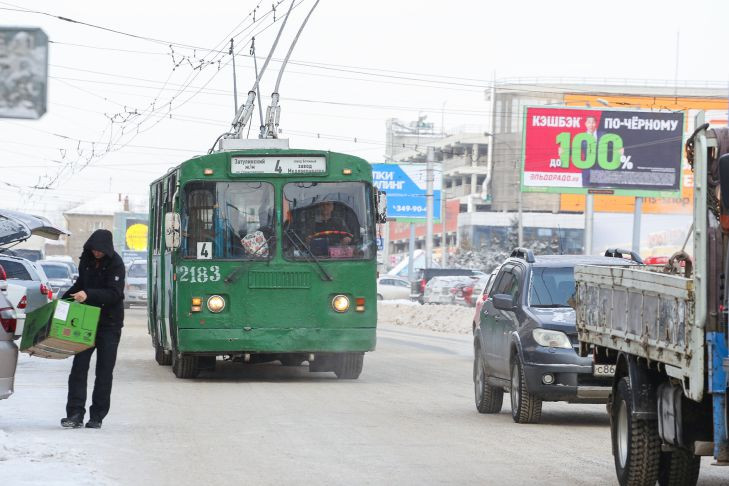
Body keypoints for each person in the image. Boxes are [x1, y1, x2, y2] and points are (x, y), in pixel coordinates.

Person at [60, 229, 125, 429]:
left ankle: (96, 416)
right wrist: (63, 300)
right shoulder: (86, 260)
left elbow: (114, 294)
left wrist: (88, 295)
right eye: (94, 250)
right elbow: (81, 284)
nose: (97, 253)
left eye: (100, 251)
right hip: (86, 323)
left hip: (109, 324)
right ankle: (75, 413)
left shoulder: (116, 264)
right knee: (78, 369)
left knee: (104, 371)